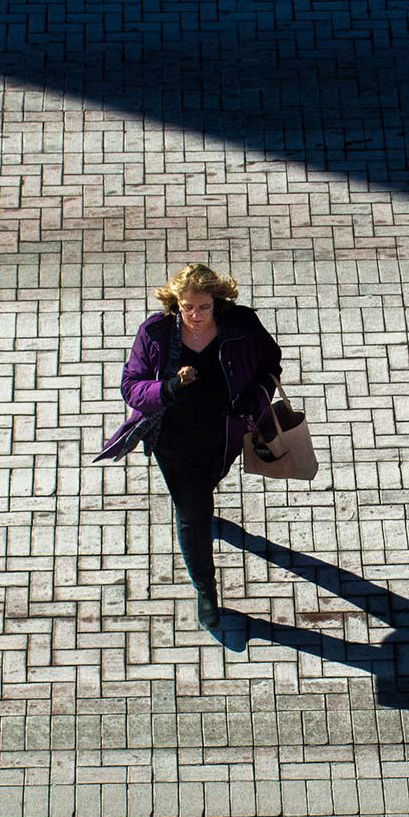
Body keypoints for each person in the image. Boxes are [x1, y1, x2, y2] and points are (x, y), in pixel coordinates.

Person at [94, 264, 283, 630]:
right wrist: (165, 389)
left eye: (204, 307)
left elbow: (270, 363)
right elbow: (130, 386)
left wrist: (255, 400)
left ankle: (202, 510)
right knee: (192, 514)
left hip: (224, 437)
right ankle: (205, 588)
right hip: (173, 444)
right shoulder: (155, 332)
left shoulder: (241, 325)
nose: (195, 316)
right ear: (175, 304)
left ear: (218, 302)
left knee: (206, 489)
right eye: (187, 307)